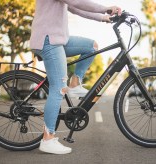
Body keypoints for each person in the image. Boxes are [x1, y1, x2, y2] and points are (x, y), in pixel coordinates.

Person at [30, 0, 122, 155]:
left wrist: (103, 17)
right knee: (58, 88)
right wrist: (106, 9)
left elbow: (75, 7)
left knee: (91, 46)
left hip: (59, 38)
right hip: (49, 40)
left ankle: (75, 83)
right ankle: (48, 139)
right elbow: (78, 2)